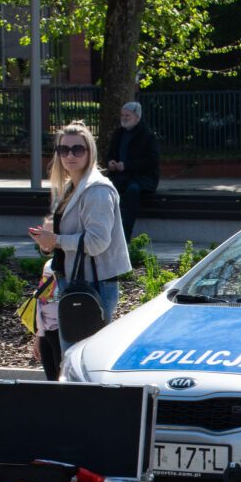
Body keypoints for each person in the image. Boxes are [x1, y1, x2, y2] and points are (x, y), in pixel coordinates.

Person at [27, 121, 131, 353]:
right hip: (73, 280)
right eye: (64, 150)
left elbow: (97, 242)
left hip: (94, 282)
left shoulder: (97, 190)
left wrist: (56, 240)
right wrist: (47, 241)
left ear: (90, 152)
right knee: (75, 355)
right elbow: (66, 237)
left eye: (78, 149)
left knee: (85, 356)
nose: (70, 155)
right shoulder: (70, 187)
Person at [106, 101, 160, 242]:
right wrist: (111, 162)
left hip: (142, 178)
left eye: (127, 115)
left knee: (132, 190)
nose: (124, 118)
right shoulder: (118, 134)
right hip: (120, 177)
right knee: (105, 190)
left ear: (137, 117)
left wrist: (127, 166)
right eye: (122, 115)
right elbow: (110, 154)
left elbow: (152, 161)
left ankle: (125, 235)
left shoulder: (147, 136)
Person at [32, 260, 61, 380]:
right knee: (52, 378)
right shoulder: (50, 265)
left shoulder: (60, 265)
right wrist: (39, 336)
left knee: (60, 377)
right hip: (48, 331)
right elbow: (40, 303)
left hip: (60, 332)